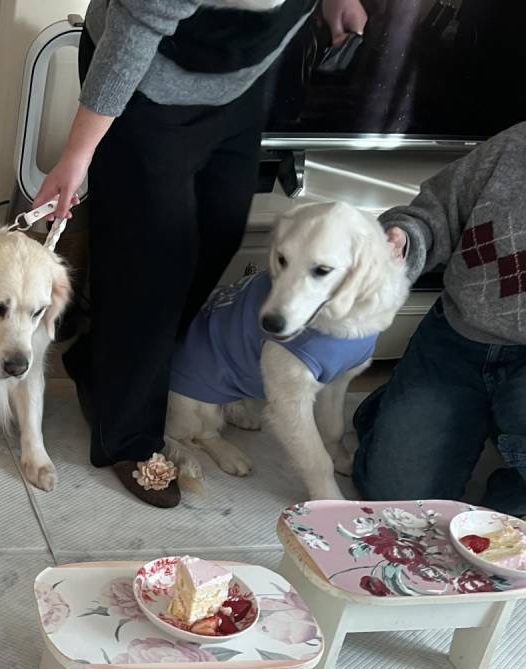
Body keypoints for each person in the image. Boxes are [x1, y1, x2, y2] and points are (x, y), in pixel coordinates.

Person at [32, 0, 367, 507]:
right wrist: (79, 155)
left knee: (220, 232)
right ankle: (127, 434)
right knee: (154, 262)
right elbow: (134, 32)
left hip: (241, 82)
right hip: (149, 80)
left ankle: (100, 359)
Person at [354, 123, 526, 517]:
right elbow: (433, 213)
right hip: (457, 339)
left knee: (506, 527)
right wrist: (403, 239)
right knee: (399, 503)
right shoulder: (514, 146)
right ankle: (390, 406)